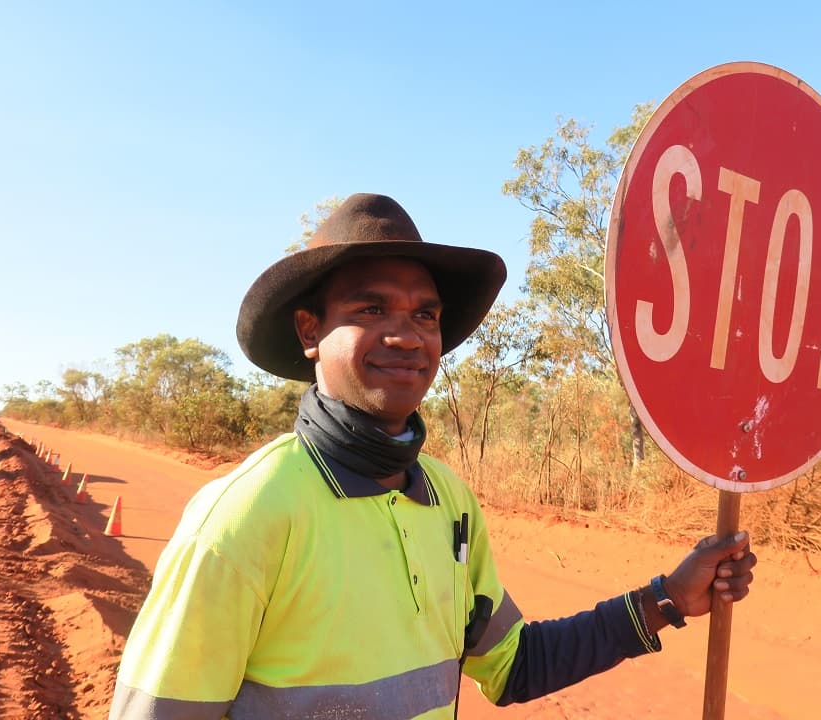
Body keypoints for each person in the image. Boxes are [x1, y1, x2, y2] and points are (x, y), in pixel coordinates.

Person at [108, 193, 757, 720]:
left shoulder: (448, 501)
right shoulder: (246, 514)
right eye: (370, 308)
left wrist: (667, 598)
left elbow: (511, 666)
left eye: (425, 314)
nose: (406, 334)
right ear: (311, 331)